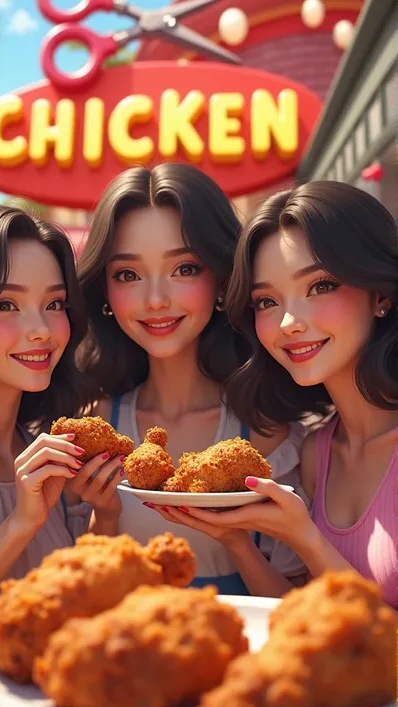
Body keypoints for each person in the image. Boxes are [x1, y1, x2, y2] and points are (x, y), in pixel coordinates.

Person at [77, 162, 309, 596]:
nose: (156, 299)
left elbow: (297, 607)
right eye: (128, 274)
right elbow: (76, 590)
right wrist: (104, 517)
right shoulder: (97, 428)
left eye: (184, 268)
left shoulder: (269, 432)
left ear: (221, 280)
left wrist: (236, 543)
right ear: (104, 292)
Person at [164, 181, 397, 607]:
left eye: (320, 286)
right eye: (267, 301)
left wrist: (306, 539)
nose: (289, 321)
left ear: (379, 293)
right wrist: (238, 543)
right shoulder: (316, 453)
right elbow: (310, 621)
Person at [0, 206, 124, 627]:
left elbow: (79, 609)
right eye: (5, 304)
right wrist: (19, 524)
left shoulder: (52, 452)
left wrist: (105, 515)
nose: (41, 330)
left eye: (54, 303)